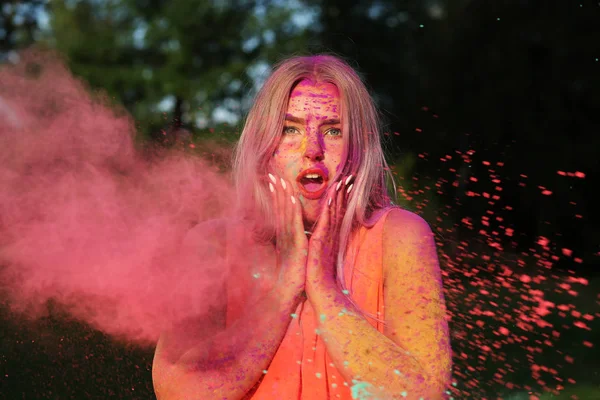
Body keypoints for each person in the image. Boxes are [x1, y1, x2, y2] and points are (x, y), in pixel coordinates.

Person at [152, 54, 452, 399]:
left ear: (359, 147)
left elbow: (425, 393)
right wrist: (285, 288)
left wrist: (324, 288)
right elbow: (178, 392)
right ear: (264, 146)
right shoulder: (212, 244)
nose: (313, 150)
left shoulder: (400, 236)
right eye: (289, 129)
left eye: (334, 130)